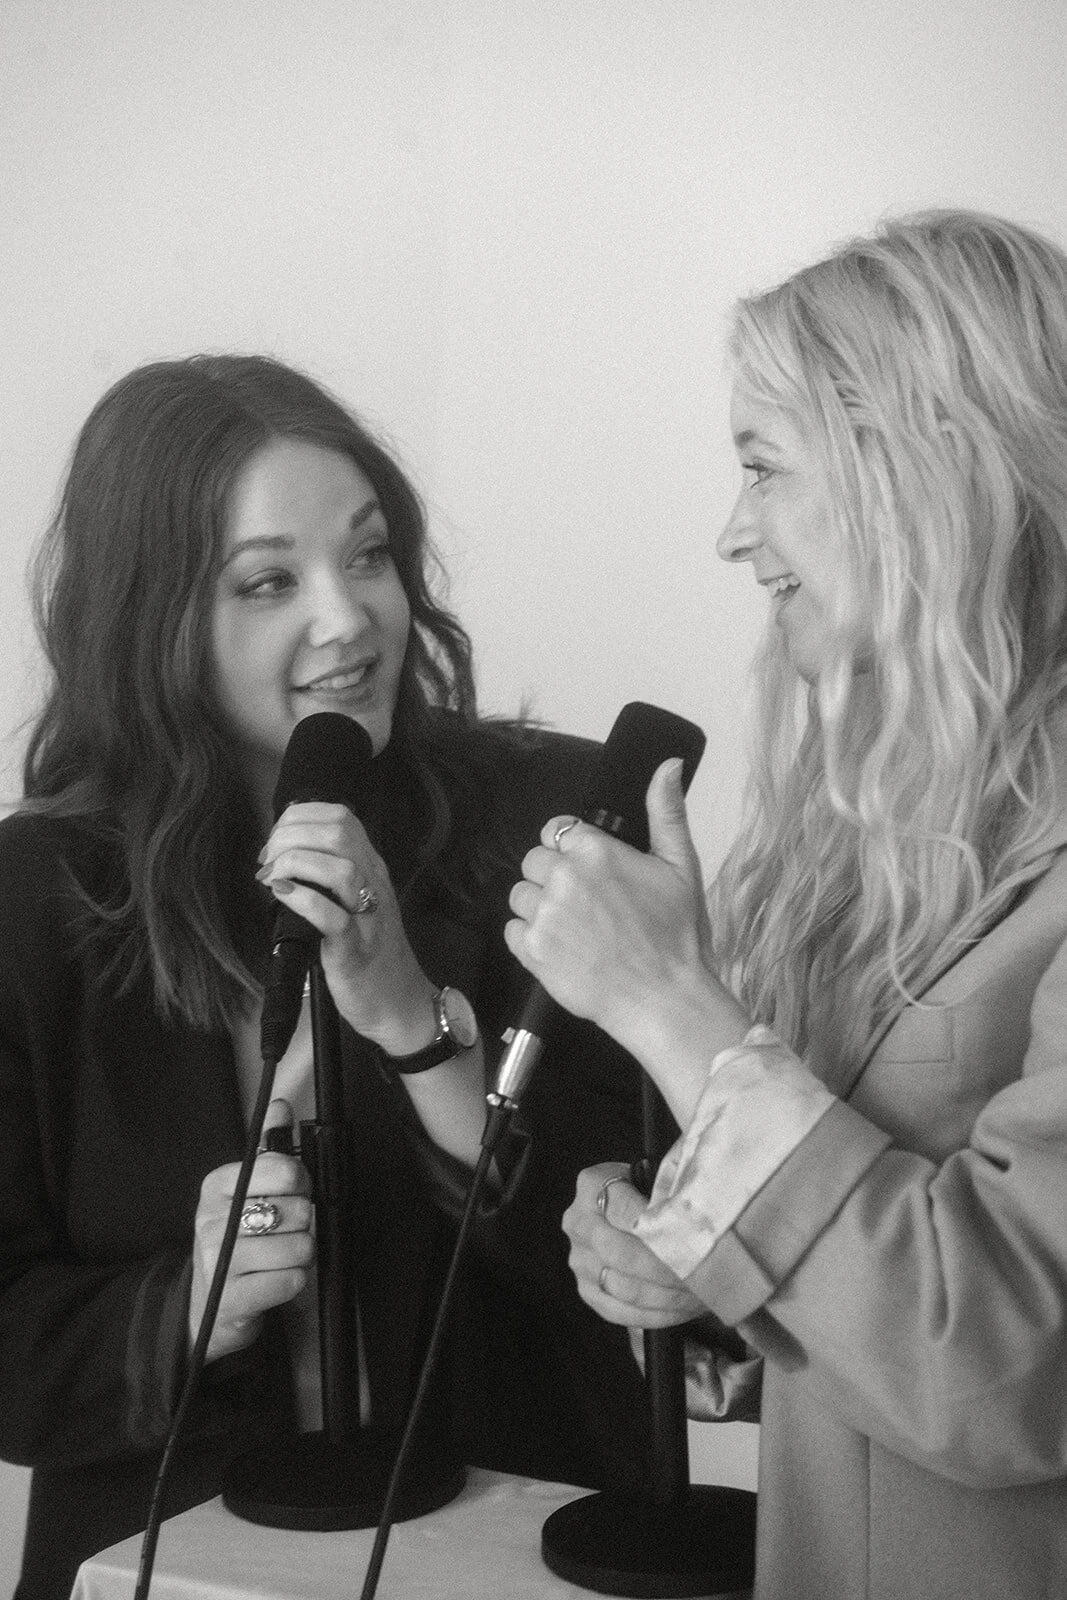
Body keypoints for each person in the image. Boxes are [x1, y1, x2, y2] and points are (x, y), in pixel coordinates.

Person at [0, 354, 653, 1600]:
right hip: (168, 1558)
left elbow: (649, 1255)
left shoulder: (552, 824)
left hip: (503, 1545)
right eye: (268, 582)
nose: (349, 619)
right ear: (148, 619)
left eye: (368, 556)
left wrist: (417, 1028)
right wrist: (178, 1309)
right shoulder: (34, 897)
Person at [506, 209, 1067, 1600]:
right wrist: (702, 1267)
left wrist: (668, 1007)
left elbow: (1007, 1371)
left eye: (762, 466)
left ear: (920, 471)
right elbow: (870, 1283)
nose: (730, 532)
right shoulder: (902, 821)